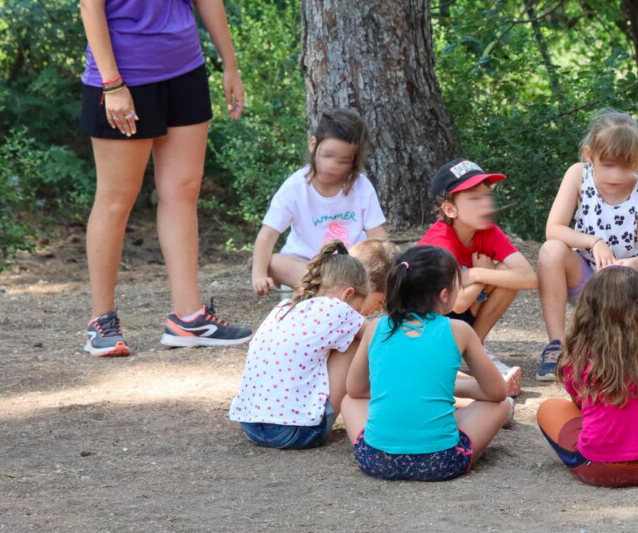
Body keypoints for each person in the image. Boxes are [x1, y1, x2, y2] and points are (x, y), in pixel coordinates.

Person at [75, 0, 250, 356]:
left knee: (183, 191)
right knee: (117, 200)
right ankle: (102, 322)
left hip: (185, 71)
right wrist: (112, 84)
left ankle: (188, 317)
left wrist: (229, 63)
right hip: (125, 78)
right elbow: (90, 5)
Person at [343, 245, 514, 481]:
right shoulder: (459, 330)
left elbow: (355, 390)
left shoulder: (375, 328)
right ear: (445, 295)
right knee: (503, 404)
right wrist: (453, 387)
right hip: (441, 462)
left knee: (348, 401)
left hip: (376, 460)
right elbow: (497, 392)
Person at [537, 267, 638, 488]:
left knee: (550, 408)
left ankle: (605, 444)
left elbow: (579, 403)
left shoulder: (577, 352)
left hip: (598, 467)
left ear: (587, 309)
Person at [536, 110, 638, 382]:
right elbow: (553, 229)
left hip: (623, 283)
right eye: (608, 165)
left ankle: (633, 355)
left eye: (627, 166)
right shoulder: (578, 175)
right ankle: (556, 345)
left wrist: (628, 265)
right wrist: (594, 242)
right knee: (551, 250)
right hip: (584, 278)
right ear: (589, 154)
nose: (617, 175)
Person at [229, 241, 389, 449]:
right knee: (356, 340)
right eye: (358, 307)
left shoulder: (283, 308)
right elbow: (377, 337)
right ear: (348, 294)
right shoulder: (339, 309)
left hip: (251, 425)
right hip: (295, 433)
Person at [419, 158, 537, 389]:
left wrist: (476, 273)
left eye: (486, 196)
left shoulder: (486, 230)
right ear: (450, 209)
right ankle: (462, 360)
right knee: (501, 273)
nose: (484, 204)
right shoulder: (440, 242)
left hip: (459, 316)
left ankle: (475, 348)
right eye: (474, 198)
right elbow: (459, 303)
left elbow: (528, 278)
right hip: (430, 327)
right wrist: (484, 273)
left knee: (506, 274)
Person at [251, 108, 388, 296]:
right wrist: (258, 275)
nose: (332, 165)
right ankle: (326, 292)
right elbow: (267, 235)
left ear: (354, 161)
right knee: (274, 262)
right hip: (306, 267)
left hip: (349, 268)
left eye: (343, 161)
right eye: (327, 156)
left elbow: (377, 235)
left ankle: (320, 294)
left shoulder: (360, 186)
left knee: (373, 258)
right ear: (313, 145)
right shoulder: (295, 186)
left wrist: (383, 269)